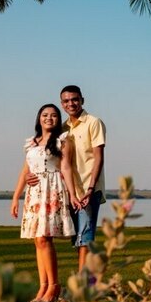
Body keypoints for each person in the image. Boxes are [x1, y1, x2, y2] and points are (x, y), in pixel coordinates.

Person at [10, 103, 82, 302]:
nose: (49, 118)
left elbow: (66, 168)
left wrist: (73, 195)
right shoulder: (32, 142)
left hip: (53, 190)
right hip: (34, 193)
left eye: (53, 115)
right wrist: (16, 196)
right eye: (45, 115)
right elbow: (25, 172)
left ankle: (54, 286)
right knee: (37, 240)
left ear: (58, 120)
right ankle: (43, 287)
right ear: (39, 118)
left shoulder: (62, 141)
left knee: (44, 239)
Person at [57, 85, 106, 275]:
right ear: (62, 104)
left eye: (75, 99)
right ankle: (89, 281)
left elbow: (99, 157)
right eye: (67, 101)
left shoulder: (94, 122)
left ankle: (82, 286)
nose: (71, 104)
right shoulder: (62, 128)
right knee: (78, 239)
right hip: (70, 191)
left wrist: (90, 189)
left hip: (89, 189)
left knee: (85, 237)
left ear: (82, 100)